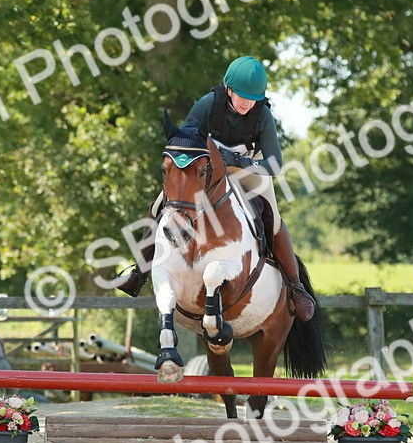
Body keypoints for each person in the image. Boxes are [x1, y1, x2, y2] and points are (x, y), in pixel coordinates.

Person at [115, 55, 316, 321]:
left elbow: (275, 164)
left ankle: (295, 286)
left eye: (252, 97)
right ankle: (140, 271)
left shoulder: (262, 115)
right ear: (229, 90)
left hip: (248, 169)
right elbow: (184, 144)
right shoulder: (207, 105)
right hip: (207, 170)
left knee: (272, 215)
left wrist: (238, 160)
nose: (247, 102)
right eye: (242, 95)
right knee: (160, 202)